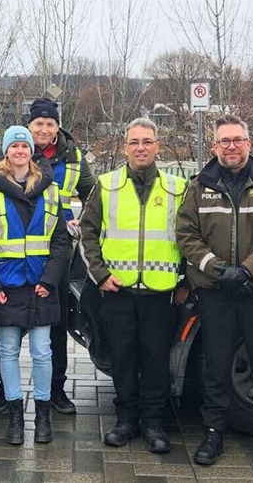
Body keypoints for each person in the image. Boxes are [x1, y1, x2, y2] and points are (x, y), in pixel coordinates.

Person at [176, 114, 253, 470]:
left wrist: (248, 269)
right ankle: (214, 432)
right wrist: (220, 271)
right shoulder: (198, 186)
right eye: (224, 141)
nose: (231, 146)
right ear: (214, 146)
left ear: (249, 143)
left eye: (237, 140)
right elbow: (187, 235)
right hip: (216, 292)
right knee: (215, 365)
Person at [0, 98, 95, 415]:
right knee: (9, 332)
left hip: (55, 255)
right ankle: (6, 391)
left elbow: (93, 194)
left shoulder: (73, 157)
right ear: (29, 127)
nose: (43, 129)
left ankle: (55, 390)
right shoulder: (13, 150)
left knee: (54, 327)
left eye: (50, 123)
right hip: (11, 264)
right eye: (38, 123)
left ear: (57, 127)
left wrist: (82, 219)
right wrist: (7, 203)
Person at [79, 118, 187, 454]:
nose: (141, 147)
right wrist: (100, 274)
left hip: (160, 291)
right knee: (122, 358)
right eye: (134, 142)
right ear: (125, 147)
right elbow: (87, 232)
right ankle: (125, 420)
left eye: (147, 141)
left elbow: (191, 238)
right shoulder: (107, 184)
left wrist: (186, 280)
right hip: (118, 290)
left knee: (156, 358)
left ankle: (154, 423)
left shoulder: (177, 188)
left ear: (158, 146)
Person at [0, 126, 70, 445]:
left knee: (43, 351)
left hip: (42, 285)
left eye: (24, 146)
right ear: (6, 151)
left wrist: (49, 280)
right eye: (14, 146)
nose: (19, 151)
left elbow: (60, 242)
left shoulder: (51, 189)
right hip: (6, 287)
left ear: (31, 151)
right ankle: (15, 414)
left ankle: (42, 413)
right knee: (10, 350)